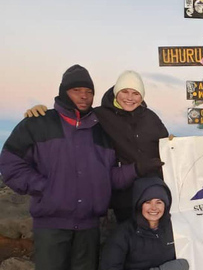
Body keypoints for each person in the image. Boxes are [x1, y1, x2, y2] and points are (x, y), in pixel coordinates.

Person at [0, 65, 138, 270]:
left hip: (89, 229)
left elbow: (109, 175)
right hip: (50, 227)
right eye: (77, 91)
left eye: (89, 92)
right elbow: (10, 163)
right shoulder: (38, 123)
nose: (84, 96)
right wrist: (45, 187)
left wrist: (139, 168)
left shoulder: (102, 130)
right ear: (64, 92)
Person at [25, 70, 169, 223]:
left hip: (154, 191)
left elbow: (166, 146)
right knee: (127, 238)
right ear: (116, 93)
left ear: (142, 96)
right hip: (123, 195)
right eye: (125, 91)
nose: (129, 98)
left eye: (136, 93)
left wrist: (173, 142)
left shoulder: (151, 117)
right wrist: (40, 111)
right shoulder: (99, 115)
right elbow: (71, 116)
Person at [100, 177, 189, 270]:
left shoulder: (175, 229)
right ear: (139, 204)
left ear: (166, 205)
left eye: (159, 202)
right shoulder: (123, 235)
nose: (154, 208)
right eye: (148, 202)